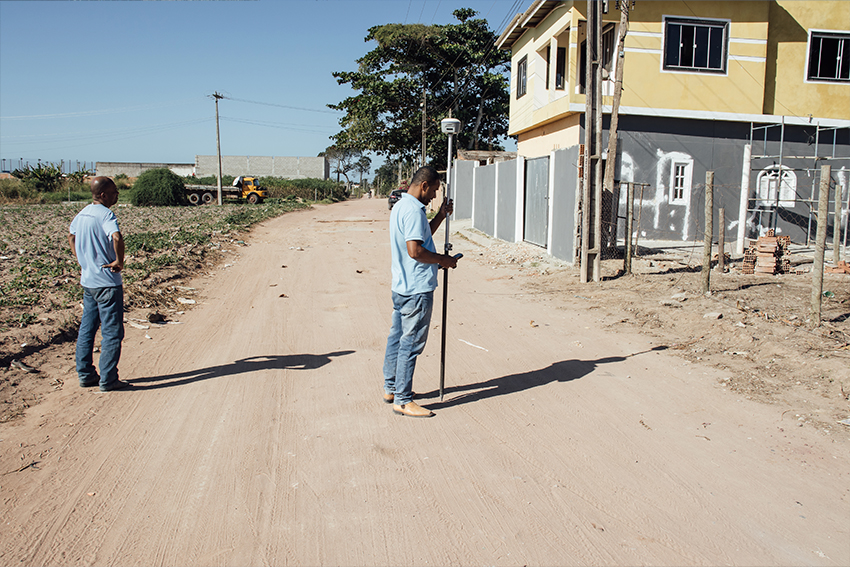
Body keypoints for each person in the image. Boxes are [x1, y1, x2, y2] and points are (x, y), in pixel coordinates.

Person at [382, 166, 459, 418]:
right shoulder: (414, 210)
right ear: (424, 185)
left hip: (402, 286)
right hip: (416, 289)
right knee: (411, 343)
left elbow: (421, 237)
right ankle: (403, 400)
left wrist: (441, 216)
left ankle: (391, 388)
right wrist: (443, 260)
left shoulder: (401, 206)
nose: (434, 196)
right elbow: (415, 251)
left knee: (397, 338)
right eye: (434, 190)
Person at [69, 177, 129, 392]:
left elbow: (71, 236)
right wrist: (119, 261)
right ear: (103, 194)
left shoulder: (82, 214)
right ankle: (109, 379)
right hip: (107, 283)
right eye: (114, 192)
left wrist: (82, 260)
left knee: (87, 329)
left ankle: (85, 374)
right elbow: (116, 237)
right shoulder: (106, 215)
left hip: (89, 282)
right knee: (112, 332)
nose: (117, 195)